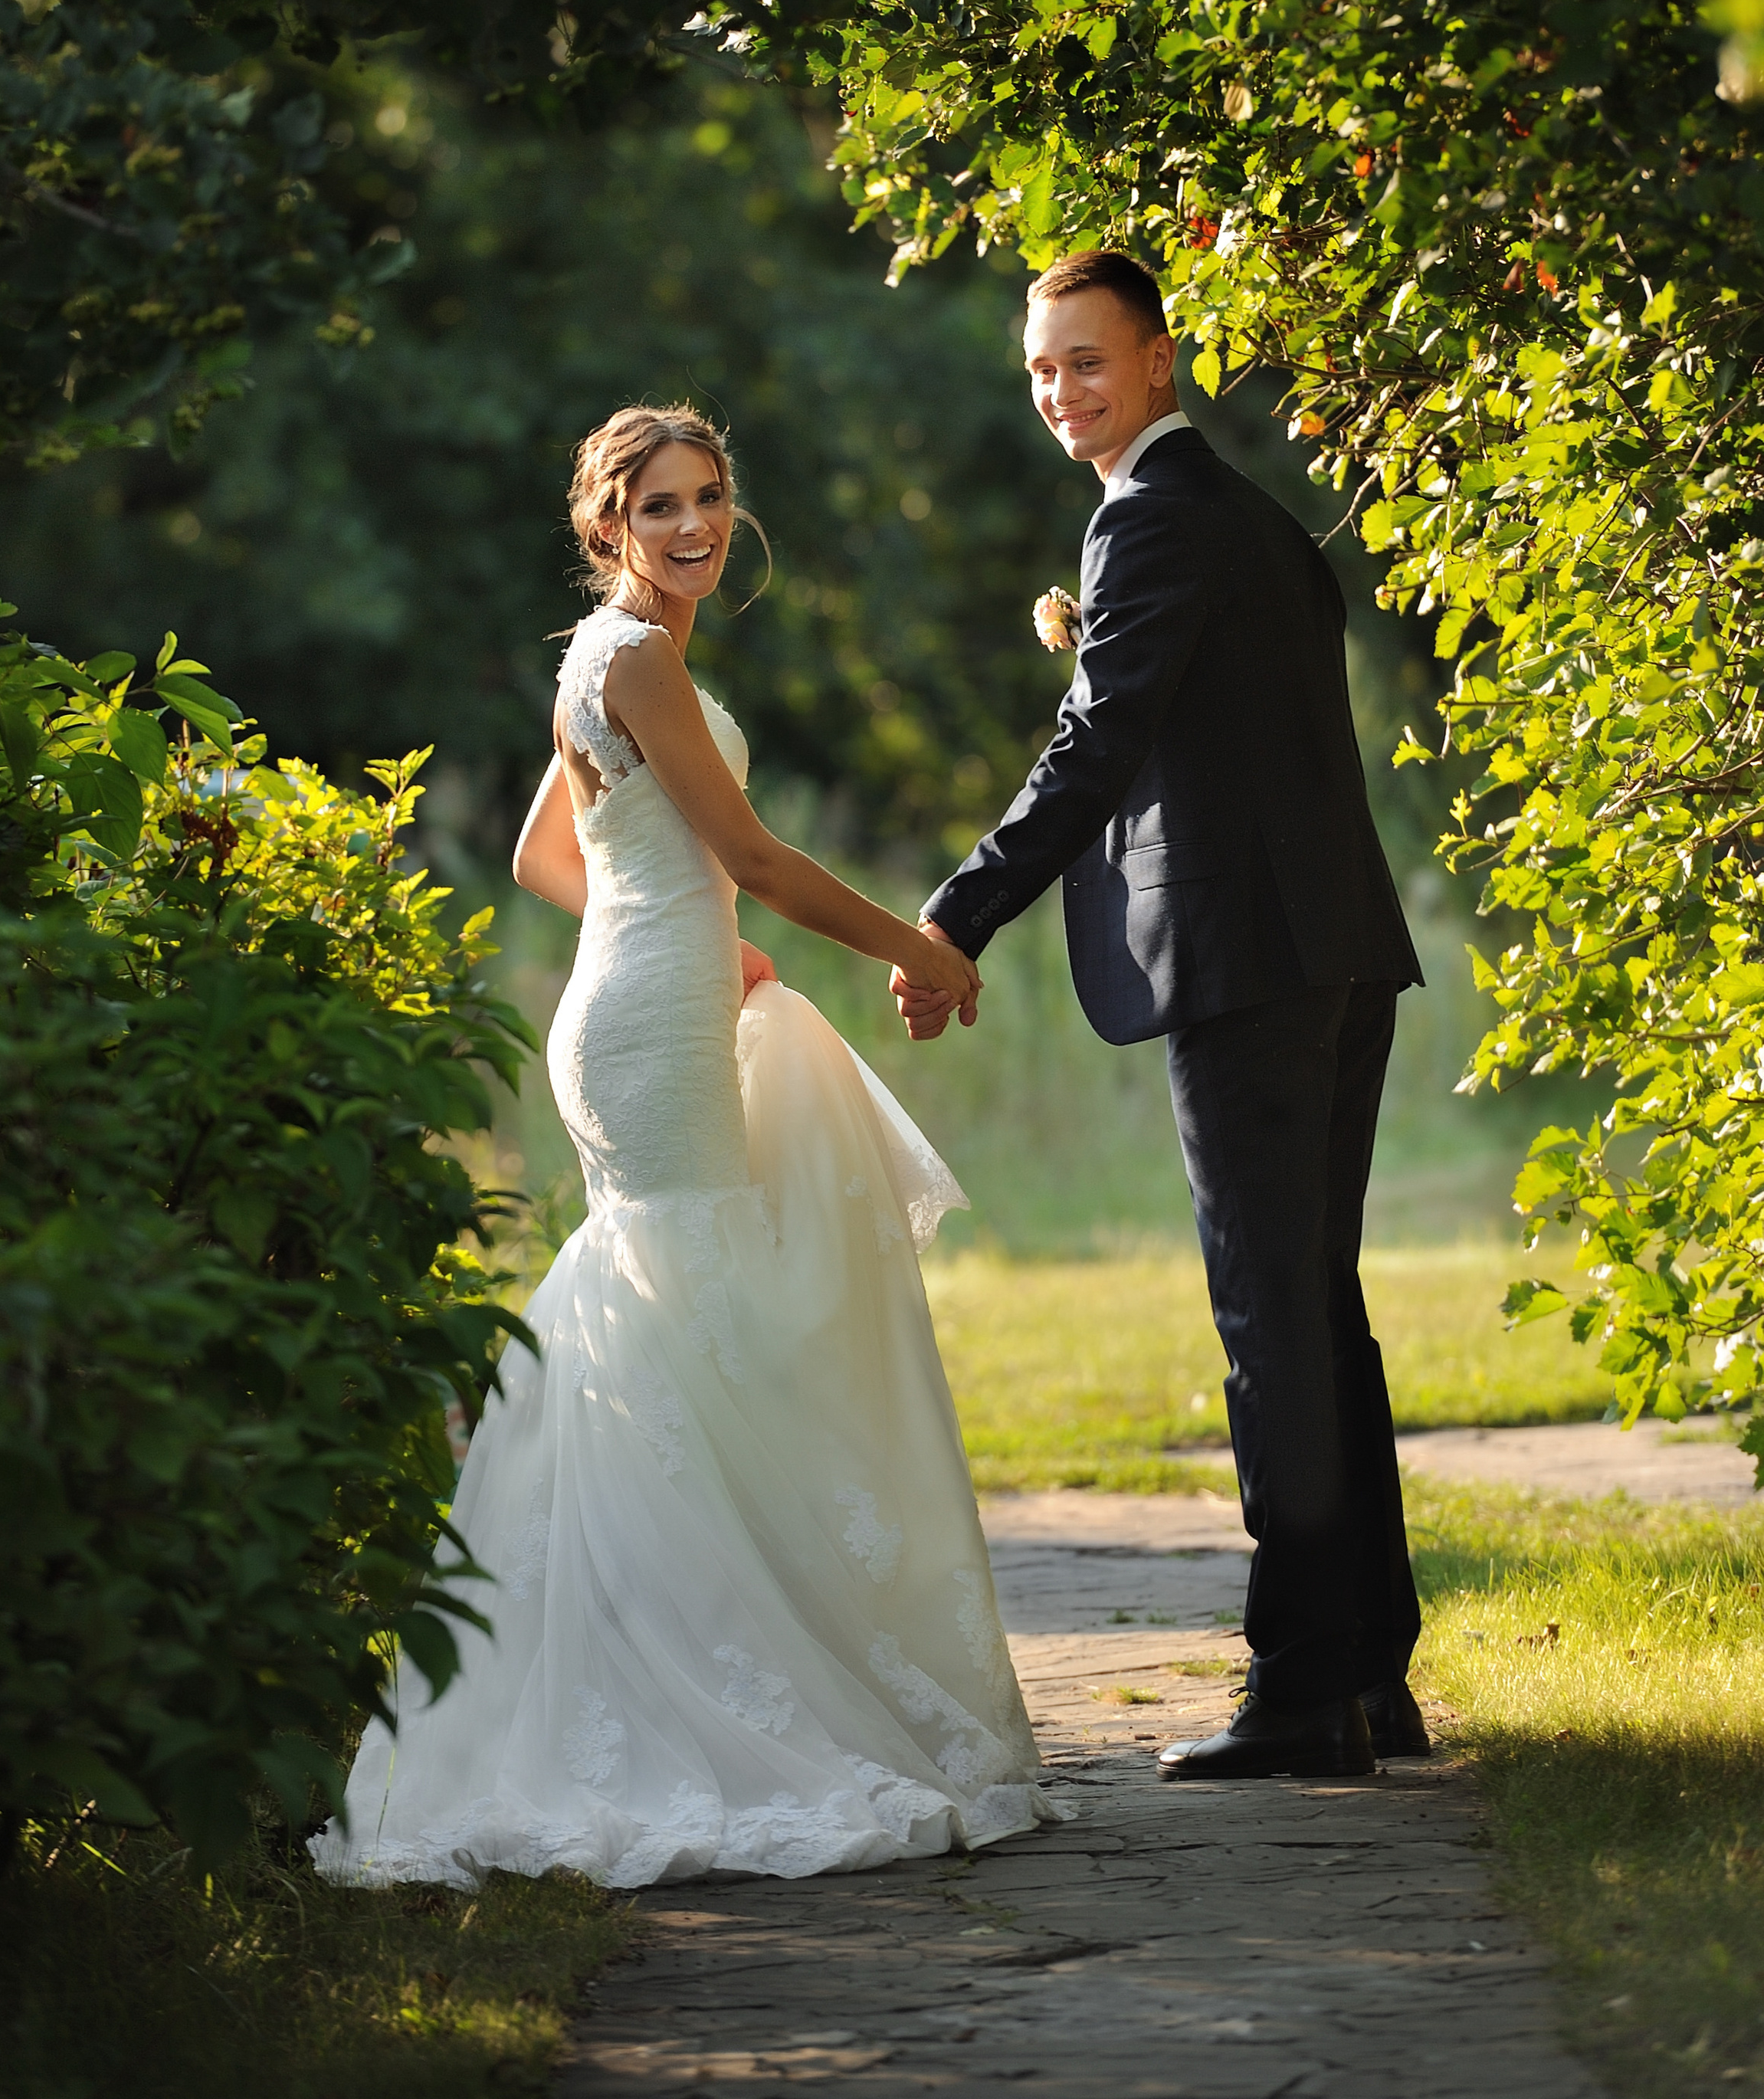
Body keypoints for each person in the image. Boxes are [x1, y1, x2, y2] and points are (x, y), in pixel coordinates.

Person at [315, 403, 1054, 1889]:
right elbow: (757, 858)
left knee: (672, 1331)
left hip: (636, 1008)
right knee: (701, 1324)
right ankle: (693, 1690)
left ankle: (662, 1654)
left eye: (708, 497)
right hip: (647, 1039)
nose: (693, 526)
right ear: (607, 527)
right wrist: (917, 946)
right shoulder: (637, 657)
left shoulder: (604, 661)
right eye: (659, 506)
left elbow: (548, 855)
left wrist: (685, 940)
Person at [893, 251, 1426, 1783]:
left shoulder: (1155, 521)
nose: (1060, 390)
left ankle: (1298, 1686)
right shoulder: (1248, 518)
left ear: (1158, 358)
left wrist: (952, 914)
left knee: (1271, 1319)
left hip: (1248, 964)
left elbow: (1093, 747)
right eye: (1040, 367)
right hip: (1327, 953)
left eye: (1085, 360)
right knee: (1317, 1312)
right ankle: (1367, 1672)